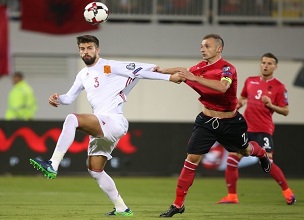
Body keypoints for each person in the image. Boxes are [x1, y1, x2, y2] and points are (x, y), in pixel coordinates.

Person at [29, 35, 182, 217]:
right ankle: (121, 208)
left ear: (97, 50)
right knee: (95, 170)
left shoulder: (110, 66)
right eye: (82, 49)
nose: (86, 52)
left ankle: (53, 164)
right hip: (102, 124)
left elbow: (139, 70)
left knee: (72, 119)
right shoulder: (82, 74)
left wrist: (168, 77)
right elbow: (69, 98)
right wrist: (58, 99)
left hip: (113, 120)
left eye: (89, 48)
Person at [156, 34, 271, 217]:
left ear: (219, 49)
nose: (202, 49)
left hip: (230, 122)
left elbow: (222, 87)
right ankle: (178, 205)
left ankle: (262, 154)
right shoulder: (200, 67)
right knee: (191, 159)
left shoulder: (227, 68)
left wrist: (193, 78)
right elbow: (183, 71)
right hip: (206, 121)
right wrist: (162, 71)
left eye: (207, 46)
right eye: (201, 46)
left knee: (246, 150)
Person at [217, 53, 296, 205]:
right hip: (246, 129)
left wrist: (271, 105)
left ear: (275, 67)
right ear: (260, 64)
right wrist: (238, 104)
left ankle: (287, 191)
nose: (266, 65)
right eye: (264, 62)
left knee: (267, 162)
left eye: (270, 63)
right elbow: (243, 98)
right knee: (232, 159)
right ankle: (232, 196)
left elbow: (286, 111)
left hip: (263, 131)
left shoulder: (279, 87)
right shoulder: (250, 81)